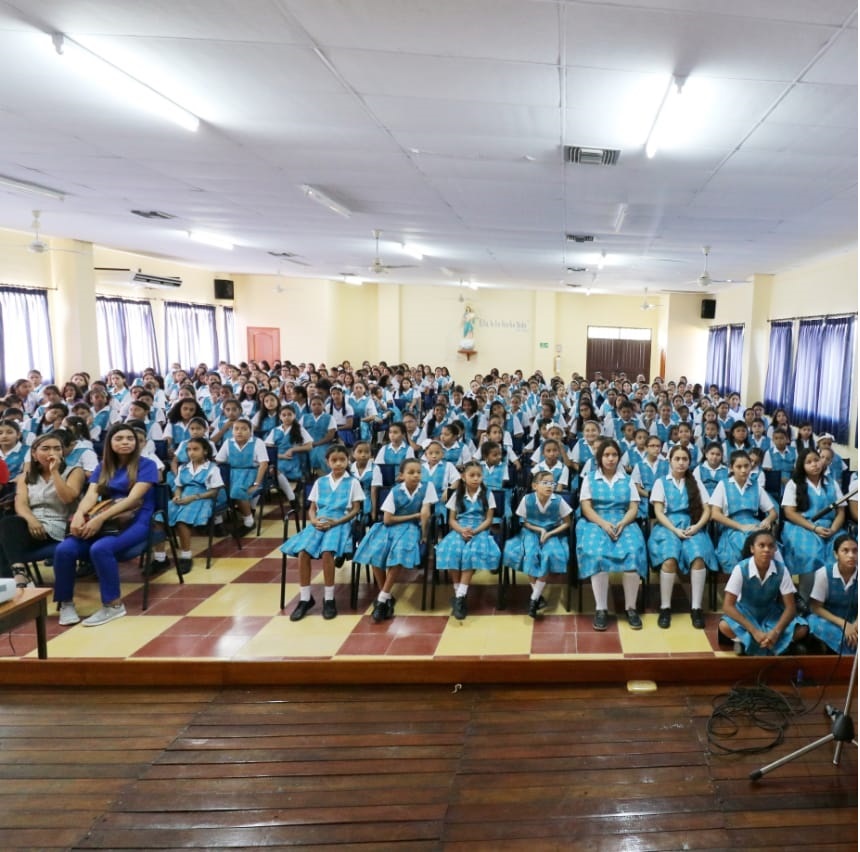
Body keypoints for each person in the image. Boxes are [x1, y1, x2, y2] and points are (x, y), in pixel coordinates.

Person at [53, 423, 160, 627]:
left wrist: (98, 519)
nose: (125, 442)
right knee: (64, 549)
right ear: (109, 443)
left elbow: (132, 500)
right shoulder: (103, 466)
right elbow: (92, 493)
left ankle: (113, 605)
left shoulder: (147, 464)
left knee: (100, 548)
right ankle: (66, 603)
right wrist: (79, 514)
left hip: (137, 518)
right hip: (106, 516)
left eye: (130, 438)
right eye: (119, 439)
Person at [280, 444, 364, 621]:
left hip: (341, 522)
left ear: (348, 460)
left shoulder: (353, 482)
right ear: (327, 462)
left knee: (327, 553)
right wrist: (313, 520)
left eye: (342, 460)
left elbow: (356, 509)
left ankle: (329, 598)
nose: (338, 464)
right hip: (320, 521)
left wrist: (337, 522)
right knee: (303, 552)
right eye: (334, 460)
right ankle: (305, 598)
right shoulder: (320, 482)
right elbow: (312, 508)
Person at [353, 458, 436, 623]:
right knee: (375, 553)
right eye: (411, 472)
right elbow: (387, 520)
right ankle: (387, 596)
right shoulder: (395, 491)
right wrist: (414, 515)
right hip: (389, 527)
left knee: (398, 555)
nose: (415, 475)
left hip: (412, 528)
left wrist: (424, 535)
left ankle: (382, 599)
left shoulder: (427, 488)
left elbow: (425, 513)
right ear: (401, 475)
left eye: (419, 472)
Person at [576, 438, 647, 630]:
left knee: (633, 552)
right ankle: (601, 608)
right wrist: (603, 524)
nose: (610, 459)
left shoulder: (627, 479)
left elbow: (633, 507)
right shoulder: (590, 478)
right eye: (606, 455)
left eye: (614, 455)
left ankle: (630, 608)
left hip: (624, 521)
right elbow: (586, 507)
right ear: (600, 458)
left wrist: (623, 523)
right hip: (596, 521)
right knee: (597, 554)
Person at [0, 433, 86, 586]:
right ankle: (16, 578)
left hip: (59, 525)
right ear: (34, 454)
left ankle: (14, 581)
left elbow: (68, 498)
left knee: (5, 531)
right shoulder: (27, 476)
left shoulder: (74, 471)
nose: (52, 453)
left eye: (57, 449)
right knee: (7, 525)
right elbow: (21, 504)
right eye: (45, 449)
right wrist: (32, 521)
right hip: (29, 525)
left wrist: (55, 472)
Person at [648, 445, 718, 629]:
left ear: (689, 462)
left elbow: (707, 510)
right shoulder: (661, 482)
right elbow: (658, 512)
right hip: (667, 526)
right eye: (677, 459)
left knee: (698, 557)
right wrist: (674, 530)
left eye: (684, 459)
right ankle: (665, 607)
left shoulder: (695, 482)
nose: (681, 462)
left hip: (691, 525)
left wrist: (696, 527)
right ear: (669, 461)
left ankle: (696, 608)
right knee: (669, 558)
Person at [718, 530, 808, 656]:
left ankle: (748, 644)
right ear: (752, 549)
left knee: (802, 629)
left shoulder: (782, 570)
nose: (766, 549)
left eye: (771, 546)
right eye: (761, 545)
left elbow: (790, 608)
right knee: (724, 626)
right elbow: (727, 606)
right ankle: (776, 645)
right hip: (746, 612)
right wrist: (754, 631)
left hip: (771, 614)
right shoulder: (740, 569)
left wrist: (776, 632)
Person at [503, 469, 572, 618]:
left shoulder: (558, 501)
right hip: (531, 532)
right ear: (535, 486)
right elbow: (524, 522)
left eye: (552, 483)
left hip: (552, 533)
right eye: (545, 483)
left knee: (548, 554)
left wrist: (550, 533)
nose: (549, 486)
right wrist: (540, 530)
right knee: (531, 554)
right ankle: (537, 595)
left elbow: (567, 523)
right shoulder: (527, 500)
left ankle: (534, 599)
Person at [434, 461, 499, 619]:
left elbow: (489, 519)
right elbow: (452, 520)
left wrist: (475, 531)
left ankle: (460, 596)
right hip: (460, 529)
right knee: (452, 550)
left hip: (479, 530)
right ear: (463, 477)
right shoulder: (457, 495)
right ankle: (459, 595)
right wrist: (462, 530)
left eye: (479, 475)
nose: (476, 478)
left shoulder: (488, 494)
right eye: (472, 475)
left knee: (470, 552)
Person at [781, 448, 845, 601]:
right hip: (803, 527)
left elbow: (841, 512)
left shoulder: (832, 483)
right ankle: (806, 599)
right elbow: (789, 513)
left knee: (841, 551)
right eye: (808, 462)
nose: (814, 465)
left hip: (831, 527)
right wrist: (814, 528)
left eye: (817, 460)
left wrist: (834, 529)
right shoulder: (794, 484)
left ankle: (832, 600)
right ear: (801, 466)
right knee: (811, 554)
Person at [709, 451, 778, 573]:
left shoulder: (755, 485)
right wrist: (740, 527)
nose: (743, 470)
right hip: (731, 527)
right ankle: (746, 581)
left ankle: (766, 583)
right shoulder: (723, 484)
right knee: (746, 544)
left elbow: (773, 512)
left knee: (769, 547)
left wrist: (767, 520)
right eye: (739, 467)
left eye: (746, 466)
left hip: (754, 524)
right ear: (731, 468)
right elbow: (715, 514)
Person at [164, 437, 224, 574]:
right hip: (184, 496)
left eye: (195, 449)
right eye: (189, 450)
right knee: (159, 517)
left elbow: (214, 492)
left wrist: (195, 497)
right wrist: (177, 495)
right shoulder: (183, 467)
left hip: (203, 498)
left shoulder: (212, 468)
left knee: (182, 521)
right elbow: (179, 486)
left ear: (205, 451)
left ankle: (186, 556)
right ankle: (160, 558)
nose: (191, 453)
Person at [215, 417, 268, 531]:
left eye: (244, 429)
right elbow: (218, 460)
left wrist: (256, 483)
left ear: (251, 431)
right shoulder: (228, 442)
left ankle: (249, 521)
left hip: (251, 473)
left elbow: (264, 464)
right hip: (232, 473)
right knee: (218, 491)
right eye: (236, 429)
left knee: (237, 490)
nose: (239, 431)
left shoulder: (257, 442)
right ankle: (217, 522)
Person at [808, 535, 857, 654]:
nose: (851, 555)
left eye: (855, 551)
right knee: (816, 624)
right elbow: (816, 607)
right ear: (836, 554)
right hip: (829, 618)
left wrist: (855, 625)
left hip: (854, 618)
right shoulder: (824, 573)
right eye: (845, 551)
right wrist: (843, 624)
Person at [266, 406, 312, 499]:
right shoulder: (275, 430)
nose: (286, 417)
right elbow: (268, 449)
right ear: (280, 416)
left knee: (276, 470)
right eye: (284, 415)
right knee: (268, 469)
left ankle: (290, 494)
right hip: (278, 457)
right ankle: (289, 493)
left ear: (294, 416)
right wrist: (281, 456)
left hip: (294, 458)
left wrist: (293, 449)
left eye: (289, 415)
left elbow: (309, 446)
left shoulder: (300, 429)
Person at [302, 395, 337, 475]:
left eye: (319, 404)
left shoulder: (330, 418)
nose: (316, 406)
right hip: (307, 444)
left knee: (320, 453)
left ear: (323, 405)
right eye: (313, 404)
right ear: (310, 406)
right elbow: (299, 432)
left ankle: (328, 475)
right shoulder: (305, 417)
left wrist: (316, 444)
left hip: (324, 444)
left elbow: (330, 435)